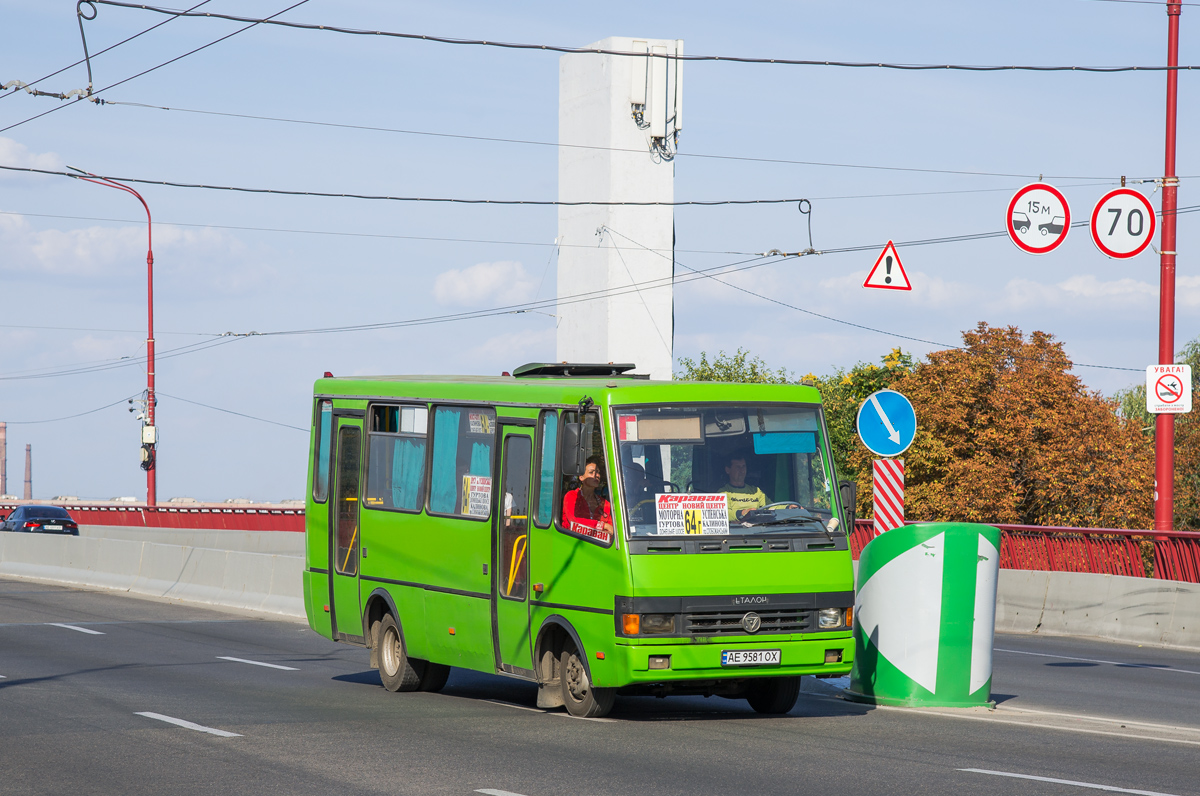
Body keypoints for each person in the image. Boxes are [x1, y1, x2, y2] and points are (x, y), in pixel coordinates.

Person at [562, 455, 614, 540]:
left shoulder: (605, 503)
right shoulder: (571, 496)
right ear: (581, 477)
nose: (596, 475)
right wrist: (603, 525)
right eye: (591, 472)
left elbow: (611, 530)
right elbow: (575, 521)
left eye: (598, 472)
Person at [720, 454, 769, 522]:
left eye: (743, 466)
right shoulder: (723, 493)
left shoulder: (755, 491)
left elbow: (772, 507)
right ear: (728, 470)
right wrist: (743, 513)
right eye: (738, 467)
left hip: (758, 530)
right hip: (736, 531)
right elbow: (723, 514)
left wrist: (788, 507)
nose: (742, 470)